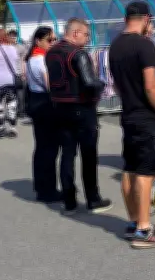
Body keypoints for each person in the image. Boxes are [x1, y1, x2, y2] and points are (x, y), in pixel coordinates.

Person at [110, 1, 155, 249]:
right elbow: (151, 85)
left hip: (128, 113)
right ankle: (144, 230)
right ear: (147, 18)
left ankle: (134, 221)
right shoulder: (144, 45)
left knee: (130, 168)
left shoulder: (115, 46)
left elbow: (115, 84)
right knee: (146, 171)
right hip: (146, 115)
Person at [46, 18, 112, 215]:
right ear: (75, 33)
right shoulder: (78, 54)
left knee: (67, 154)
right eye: (86, 34)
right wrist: (103, 86)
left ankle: (69, 200)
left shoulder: (51, 52)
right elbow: (90, 82)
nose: (88, 38)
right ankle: (93, 198)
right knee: (89, 154)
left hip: (59, 106)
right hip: (81, 108)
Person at [25, 26, 61, 203]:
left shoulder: (33, 58)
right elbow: (51, 86)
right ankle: (48, 190)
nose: (53, 43)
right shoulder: (40, 60)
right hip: (45, 106)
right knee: (49, 149)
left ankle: (42, 187)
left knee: (42, 148)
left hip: (36, 103)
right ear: (38, 41)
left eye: (54, 39)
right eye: (49, 40)